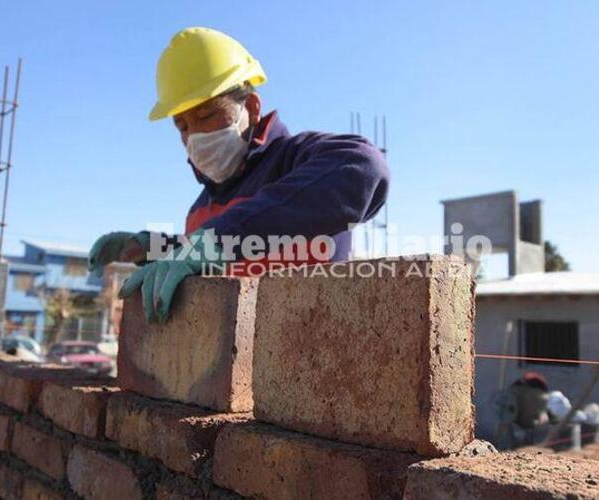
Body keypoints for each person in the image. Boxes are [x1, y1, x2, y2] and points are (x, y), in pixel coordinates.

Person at [88, 27, 389, 324]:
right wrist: (155, 248)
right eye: (182, 126)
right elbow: (221, 254)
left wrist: (219, 239)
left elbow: (364, 166)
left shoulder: (299, 161)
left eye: (206, 115)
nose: (195, 136)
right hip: (233, 365)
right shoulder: (200, 210)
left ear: (252, 108)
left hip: (315, 354)